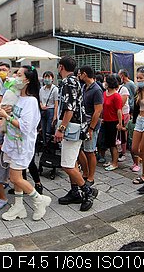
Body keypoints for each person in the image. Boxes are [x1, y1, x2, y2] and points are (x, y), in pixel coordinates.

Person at [0, 65, 52, 221]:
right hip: (13, 144)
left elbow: (25, 126)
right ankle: (19, 206)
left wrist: (6, 116)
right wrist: (7, 111)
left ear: (27, 80)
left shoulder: (31, 101)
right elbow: (14, 117)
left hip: (22, 146)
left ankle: (39, 200)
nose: (14, 77)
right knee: (17, 177)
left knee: (15, 178)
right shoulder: (17, 97)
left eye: (19, 75)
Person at [52, 57, 97, 212]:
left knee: (67, 164)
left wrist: (61, 128)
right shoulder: (75, 80)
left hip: (72, 127)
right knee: (72, 162)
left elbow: (69, 108)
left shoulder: (67, 82)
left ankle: (87, 191)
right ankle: (74, 191)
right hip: (76, 126)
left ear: (60, 67)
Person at [77, 66, 103, 185]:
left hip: (91, 124)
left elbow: (98, 111)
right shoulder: (84, 87)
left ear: (85, 74)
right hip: (82, 123)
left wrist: (91, 128)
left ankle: (91, 177)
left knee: (90, 151)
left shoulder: (96, 89)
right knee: (80, 149)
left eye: (80, 74)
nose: (79, 76)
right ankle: (86, 172)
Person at [100, 75, 124, 171]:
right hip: (106, 121)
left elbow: (119, 110)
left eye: (105, 81)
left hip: (114, 122)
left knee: (114, 144)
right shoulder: (105, 93)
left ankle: (115, 163)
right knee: (110, 143)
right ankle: (113, 161)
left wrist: (120, 123)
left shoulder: (116, 96)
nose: (104, 83)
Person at [39, 71, 59, 141]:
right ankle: (44, 145)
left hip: (51, 110)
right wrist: (41, 106)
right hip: (43, 111)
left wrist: (55, 116)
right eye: (45, 77)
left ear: (52, 79)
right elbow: (40, 101)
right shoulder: (42, 89)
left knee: (49, 130)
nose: (47, 79)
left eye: (48, 77)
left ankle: (49, 147)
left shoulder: (55, 89)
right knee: (43, 129)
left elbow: (56, 103)